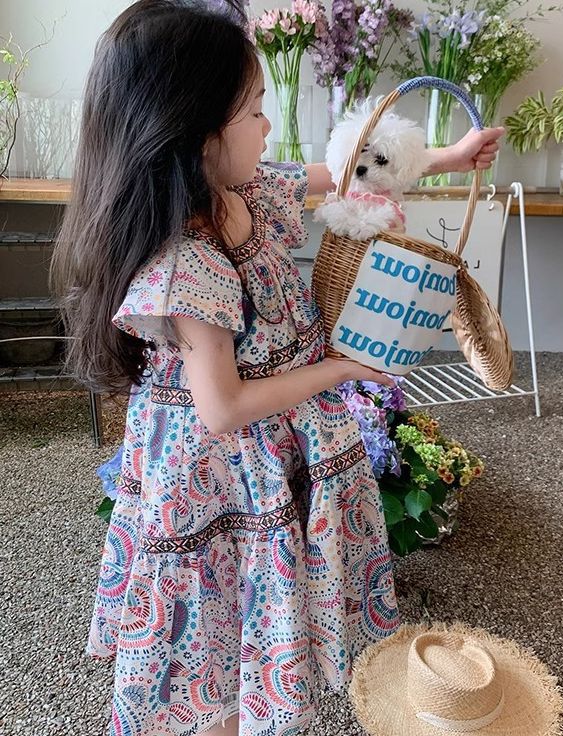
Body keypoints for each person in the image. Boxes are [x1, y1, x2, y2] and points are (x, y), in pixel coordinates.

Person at [50, 1, 503, 734]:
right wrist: (343, 369)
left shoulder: (243, 191)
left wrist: (449, 158)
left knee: (256, 604)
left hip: (271, 444)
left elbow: (337, 174)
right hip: (218, 474)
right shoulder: (188, 260)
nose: (268, 126)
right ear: (198, 134)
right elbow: (223, 408)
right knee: (217, 619)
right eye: (255, 111)